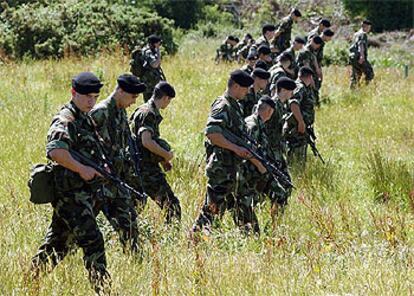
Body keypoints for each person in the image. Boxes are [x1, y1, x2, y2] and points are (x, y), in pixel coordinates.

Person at [31, 72, 111, 293]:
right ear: (73, 93)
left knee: (58, 243)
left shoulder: (86, 118)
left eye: (95, 96)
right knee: (93, 240)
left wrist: (99, 167)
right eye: (86, 96)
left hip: (81, 193)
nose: (91, 101)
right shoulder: (66, 119)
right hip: (69, 194)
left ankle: (30, 280)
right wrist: (82, 169)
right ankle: (103, 290)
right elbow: (55, 150)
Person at [192, 70, 266, 234]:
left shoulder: (234, 105)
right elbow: (212, 133)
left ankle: (251, 236)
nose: (248, 92)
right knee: (212, 209)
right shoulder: (223, 105)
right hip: (221, 168)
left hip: (233, 168)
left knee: (242, 203)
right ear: (236, 86)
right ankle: (195, 238)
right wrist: (236, 149)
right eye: (245, 88)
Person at [89, 74, 147, 254]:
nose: (133, 102)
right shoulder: (100, 113)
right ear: (120, 91)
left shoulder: (121, 112)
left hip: (115, 183)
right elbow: (82, 145)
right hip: (95, 185)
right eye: (132, 97)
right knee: (76, 233)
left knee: (129, 228)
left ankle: (136, 267)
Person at [129, 81, 181, 224]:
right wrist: (166, 155)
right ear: (166, 98)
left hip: (136, 166)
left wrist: (163, 161)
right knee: (172, 205)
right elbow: (146, 142)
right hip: (145, 168)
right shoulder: (149, 113)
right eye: (169, 101)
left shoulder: (142, 109)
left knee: (135, 205)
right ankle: (173, 238)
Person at [236, 96, 287, 234]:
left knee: (280, 194)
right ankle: (250, 232)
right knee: (244, 204)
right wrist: (261, 167)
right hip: (249, 173)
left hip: (259, 171)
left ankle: (273, 229)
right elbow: (248, 151)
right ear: (269, 111)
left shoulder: (258, 123)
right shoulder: (252, 125)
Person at [265, 77, 297, 217]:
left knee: (286, 185)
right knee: (282, 186)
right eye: (290, 91)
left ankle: (276, 217)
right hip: (270, 153)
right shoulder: (273, 105)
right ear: (283, 90)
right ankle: (275, 218)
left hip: (277, 152)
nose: (292, 94)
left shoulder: (281, 106)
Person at [284, 67, 316, 167]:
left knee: (300, 154)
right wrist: (301, 121)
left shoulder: (305, 88)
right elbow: (293, 103)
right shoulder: (300, 87)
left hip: (301, 127)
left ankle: (298, 172)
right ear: (310, 77)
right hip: (296, 127)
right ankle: (294, 172)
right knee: (295, 154)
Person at [297, 36, 323, 106]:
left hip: (310, 77)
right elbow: (306, 67)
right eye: (317, 45)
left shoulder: (312, 51)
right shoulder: (305, 52)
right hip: (305, 77)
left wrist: (319, 74)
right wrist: (311, 80)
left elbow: (315, 64)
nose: (317, 47)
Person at [349, 20, 374, 89]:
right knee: (370, 73)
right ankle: (363, 88)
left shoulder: (356, 34)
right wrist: (362, 56)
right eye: (369, 28)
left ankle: (353, 90)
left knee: (356, 75)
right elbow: (361, 45)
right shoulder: (363, 34)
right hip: (359, 57)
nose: (369, 29)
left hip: (352, 57)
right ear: (365, 26)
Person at [141, 35, 166, 102]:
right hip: (148, 83)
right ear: (154, 43)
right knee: (149, 103)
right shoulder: (148, 52)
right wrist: (158, 50)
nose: (159, 45)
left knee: (155, 102)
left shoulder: (151, 50)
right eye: (158, 43)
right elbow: (155, 64)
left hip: (152, 81)